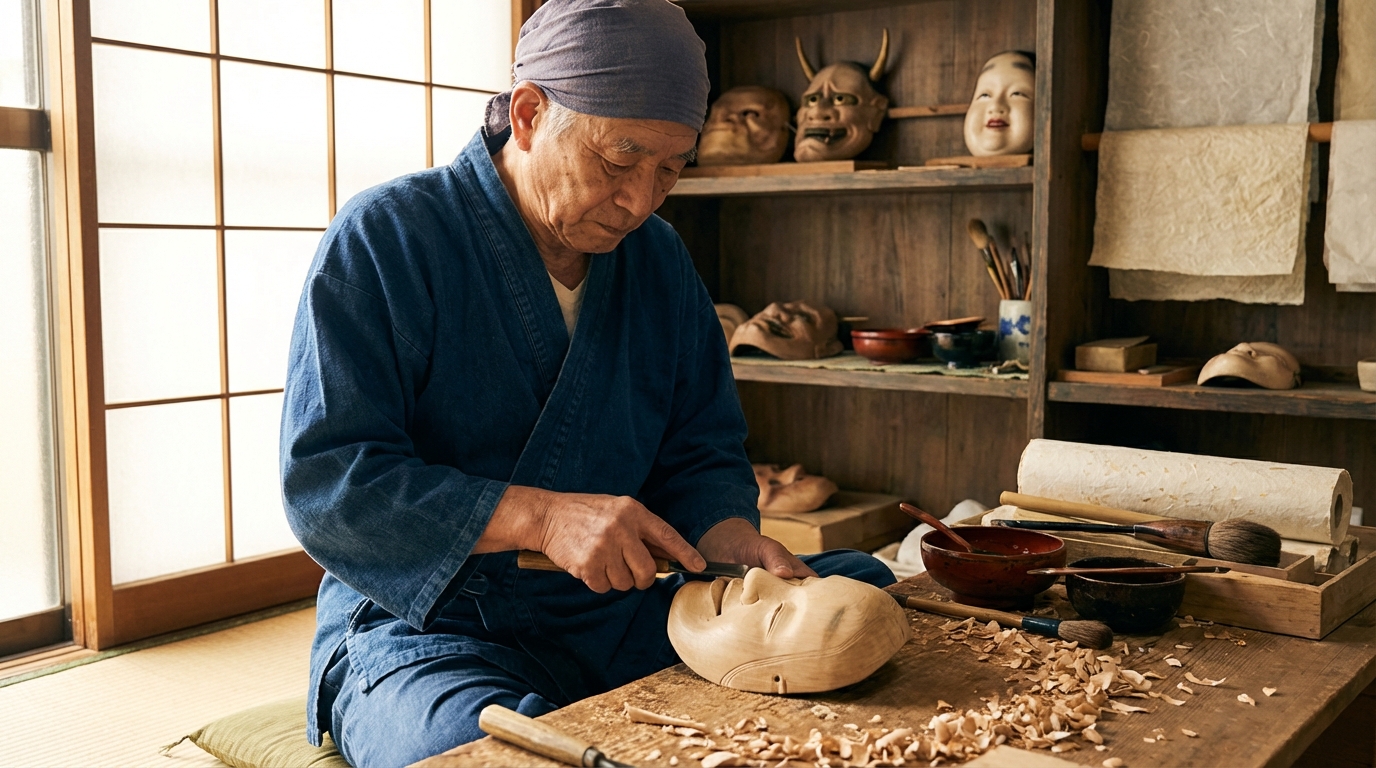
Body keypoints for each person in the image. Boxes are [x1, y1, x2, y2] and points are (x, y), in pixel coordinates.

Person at [280, 2, 895, 765]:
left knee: (865, 585)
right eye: (620, 159)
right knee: (480, 752)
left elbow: (700, 446)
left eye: (670, 169)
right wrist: (538, 518)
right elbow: (329, 483)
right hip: (430, 626)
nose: (641, 201)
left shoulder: (660, 261)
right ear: (531, 114)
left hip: (612, 611)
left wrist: (724, 533)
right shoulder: (386, 238)